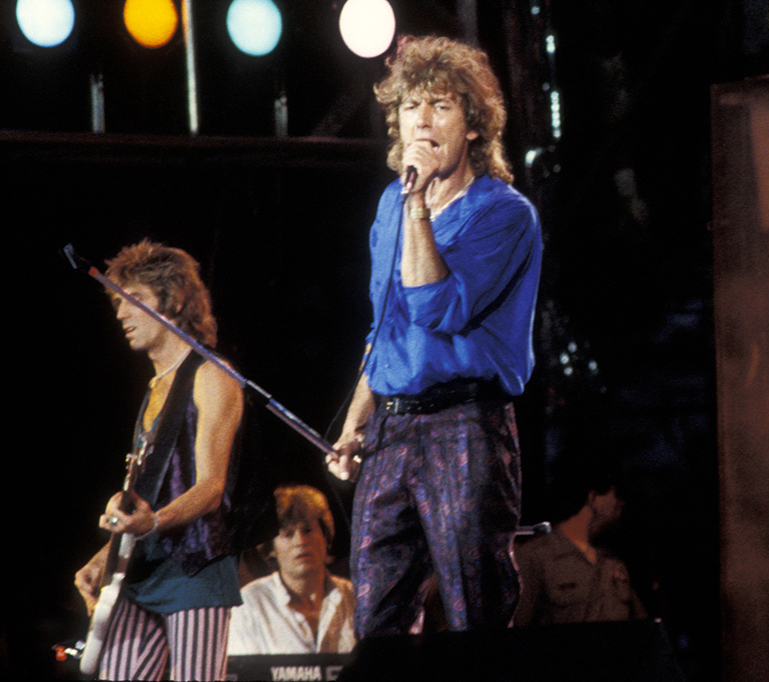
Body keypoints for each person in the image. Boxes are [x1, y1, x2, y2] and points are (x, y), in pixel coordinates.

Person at [327, 34, 542, 636]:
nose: (421, 121)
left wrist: (419, 201)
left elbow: (434, 306)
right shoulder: (389, 208)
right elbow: (386, 323)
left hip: (464, 427)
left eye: (440, 106)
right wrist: (357, 418)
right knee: (377, 617)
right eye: (410, 107)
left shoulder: (504, 214)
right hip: (393, 427)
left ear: (472, 125)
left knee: (473, 609)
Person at [74, 240, 244, 681]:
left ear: (174, 301)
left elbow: (210, 487)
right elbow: (149, 494)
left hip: (197, 568)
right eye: (115, 303)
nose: (119, 314)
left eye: (133, 301)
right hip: (141, 567)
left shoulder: (212, 376)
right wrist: (104, 554)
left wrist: (150, 523)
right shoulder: (154, 388)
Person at [229, 485, 355, 655]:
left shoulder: (354, 597)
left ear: (325, 537)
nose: (300, 541)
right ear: (271, 547)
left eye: (308, 530)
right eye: (287, 534)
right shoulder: (250, 603)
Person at [514, 471, 647, 626]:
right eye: (616, 494)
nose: (621, 503)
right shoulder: (536, 556)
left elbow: (642, 625)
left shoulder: (613, 560)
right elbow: (519, 628)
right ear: (593, 498)